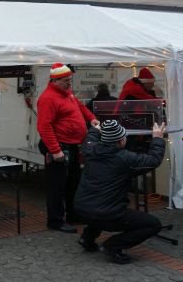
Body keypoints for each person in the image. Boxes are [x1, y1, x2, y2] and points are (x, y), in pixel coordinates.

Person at [74, 120, 166, 264]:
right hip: (107, 213)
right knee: (153, 224)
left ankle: (87, 238)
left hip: (82, 208)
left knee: (100, 206)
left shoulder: (90, 149)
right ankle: (112, 246)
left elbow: (90, 139)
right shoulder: (124, 158)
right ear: (120, 141)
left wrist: (95, 130)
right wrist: (158, 139)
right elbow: (153, 160)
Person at [37, 63, 100, 233]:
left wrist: (91, 118)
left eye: (70, 79)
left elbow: (79, 106)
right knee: (57, 186)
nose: (69, 83)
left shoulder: (67, 93)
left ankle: (73, 214)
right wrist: (55, 150)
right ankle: (55, 221)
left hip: (73, 145)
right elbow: (44, 126)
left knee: (74, 182)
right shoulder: (48, 98)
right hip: (60, 146)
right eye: (65, 80)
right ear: (55, 81)